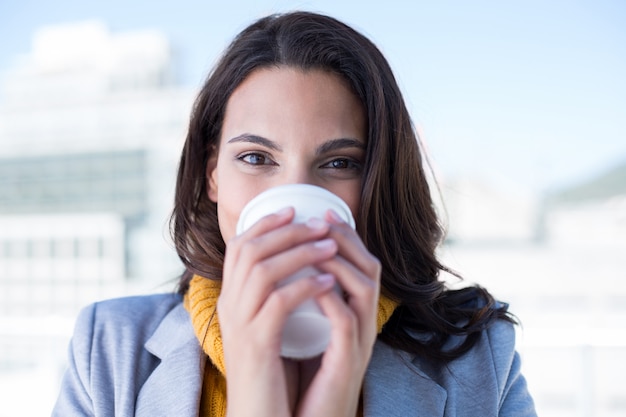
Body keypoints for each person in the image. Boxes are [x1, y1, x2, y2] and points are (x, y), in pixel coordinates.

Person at [52, 11, 536, 417]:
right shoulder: (108, 350)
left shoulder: (481, 359)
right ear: (212, 174)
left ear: (378, 182)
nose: (295, 195)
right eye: (256, 158)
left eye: (340, 163)